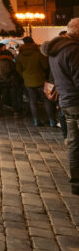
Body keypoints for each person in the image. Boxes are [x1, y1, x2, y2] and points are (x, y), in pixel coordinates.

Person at [41, 18, 79, 195]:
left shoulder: (56, 50)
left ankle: (76, 181)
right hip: (76, 101)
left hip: (66, 101)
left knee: (73, 142)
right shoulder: (73, 50)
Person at [17, 36, 55, 126]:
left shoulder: (20, 55)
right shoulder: (38, 54)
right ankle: (52, 121)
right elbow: (45, 66)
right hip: (40, 80)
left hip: (28, 81)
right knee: (47, 101)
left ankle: (36, 121)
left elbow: (18, 68)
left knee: (32, 101)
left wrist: (25, 76)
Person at [0, 50, 21, 116]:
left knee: (3, 97)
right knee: (14, 97)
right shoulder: (10, 62)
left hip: (1, 82)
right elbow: (15, 71)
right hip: (11, 82)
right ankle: (16, 112)